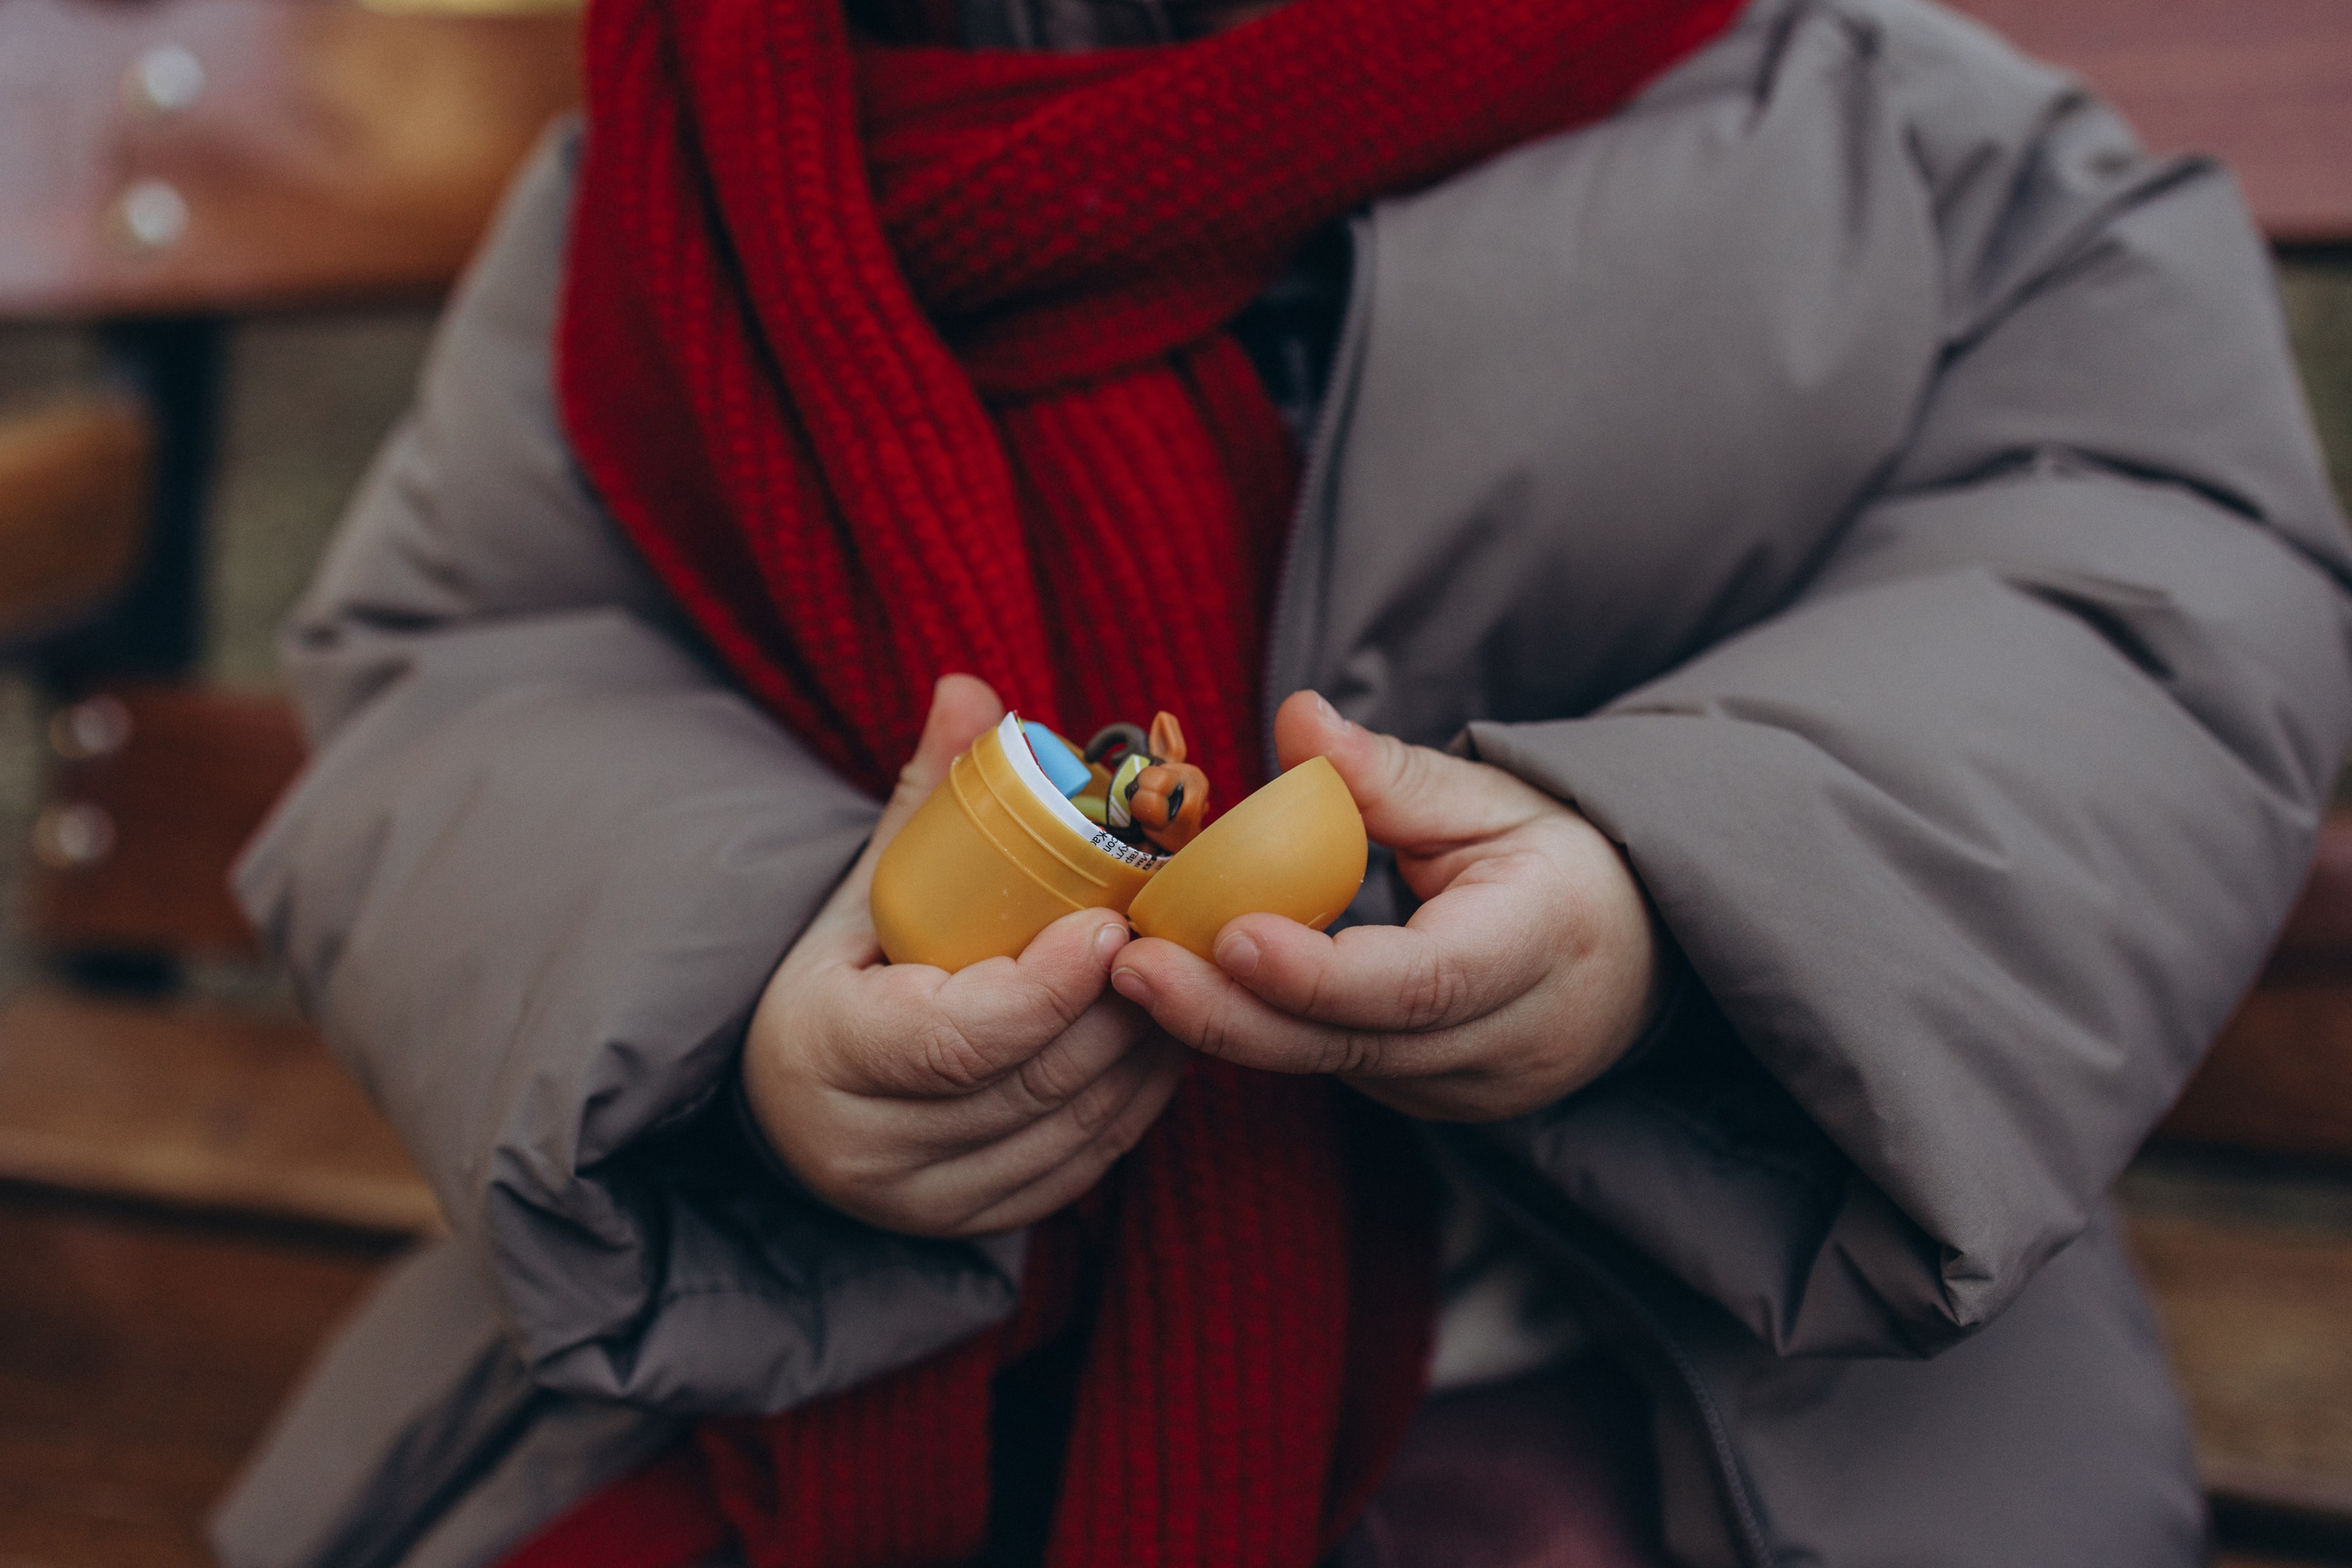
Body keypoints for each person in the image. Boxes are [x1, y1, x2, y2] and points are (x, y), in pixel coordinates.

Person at [210, 0, 2352, 1562]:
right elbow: (469, 669)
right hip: (836, 1368)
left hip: (1690, 1384)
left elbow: (2137, 583)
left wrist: (1675, 902)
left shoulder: (1893, 144)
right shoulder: (682, 168)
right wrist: (735, 1015)